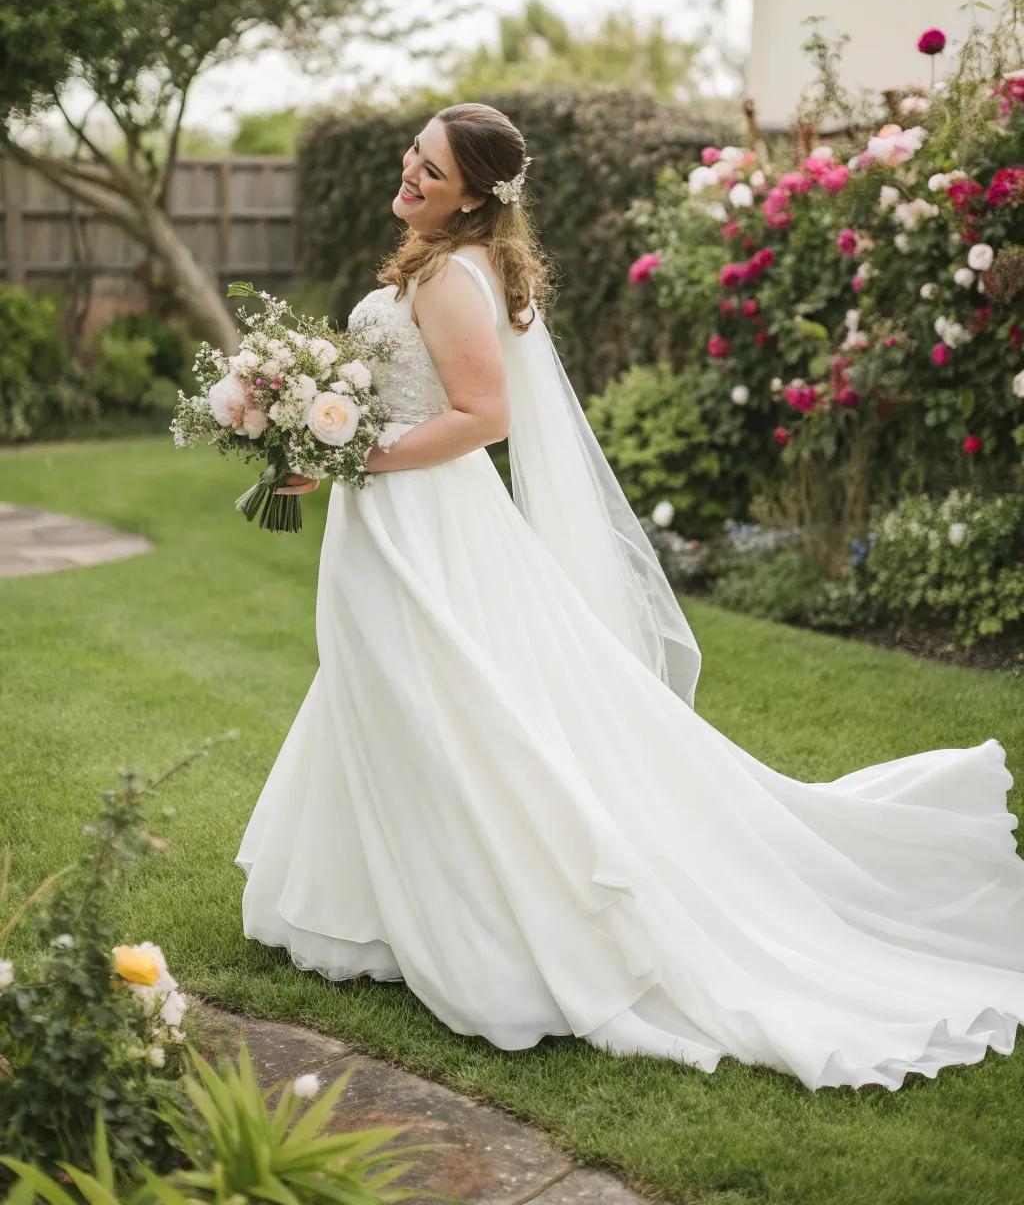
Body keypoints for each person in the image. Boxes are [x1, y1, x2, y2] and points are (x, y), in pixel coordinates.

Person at [236, 102, 1024, 1092]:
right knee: (384, 693)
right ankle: (368, 909)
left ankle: (479, 922)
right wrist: (318, 443)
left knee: (431, 703)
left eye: (429, 169)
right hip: (398, 510)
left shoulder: (446, 278)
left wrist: (354, 451)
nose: (409, 175)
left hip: (423, 521)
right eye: (412, 157)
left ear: (477, 193)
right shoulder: (447, 262)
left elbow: (484, 417)